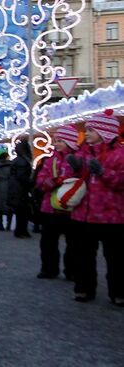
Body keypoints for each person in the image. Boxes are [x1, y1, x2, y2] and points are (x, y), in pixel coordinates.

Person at [66, 112, 124, 304]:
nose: (87, 134)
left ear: (105, 131)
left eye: (91, 130)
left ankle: (118, 292)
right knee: (82, 255)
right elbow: (73, 180)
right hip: (83, 213)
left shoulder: (119, 154)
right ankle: (83, 288)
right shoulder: (82, 152)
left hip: (112, 215)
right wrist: (74, 169)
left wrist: (102, 172)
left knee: (116, 257)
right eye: (87, 130)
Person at [35, 125, 80, 280]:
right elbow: (40, 180)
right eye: (56, 141)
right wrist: (51, 182)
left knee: (73, 243)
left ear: (70, 141)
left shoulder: (78, 159)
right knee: (48, 241)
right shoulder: (50, 160)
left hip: (71, 207)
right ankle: (49, 269)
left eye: (60, 141)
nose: (56, 144)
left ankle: (72, 270)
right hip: (50, 206)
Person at [8, 141, 33, 238]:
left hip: (16, 189)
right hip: (20, 189)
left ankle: (21, 230)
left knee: (21, 211)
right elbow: (21, 176)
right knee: (22, 211)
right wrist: (31, 182)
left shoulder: (17, 160)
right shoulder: (23, 161)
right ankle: (20, 230)